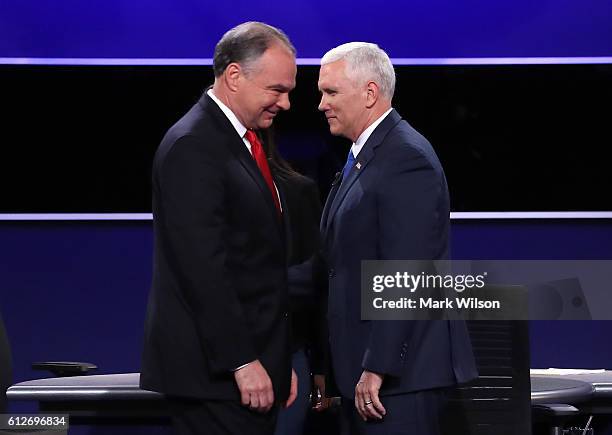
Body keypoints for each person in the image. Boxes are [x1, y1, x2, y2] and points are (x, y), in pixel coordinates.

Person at [140, 22, 298, 435]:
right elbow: (202, 269)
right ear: (233, 76)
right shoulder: (193, 145)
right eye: (276, 90)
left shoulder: (243, 141)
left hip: (247, 371)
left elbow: (255, 261)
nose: (285, 104)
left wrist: (278, 361)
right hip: (217, 378)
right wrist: (242, 361)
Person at [317, 42, 478, 435]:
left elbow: (407, 271)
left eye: (331, 92)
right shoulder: (366, 156)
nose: (321, 104)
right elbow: (337, 263)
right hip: (364, 377)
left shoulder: (407, 158)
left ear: (370, 93)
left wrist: (378, 366)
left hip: (399, 381)